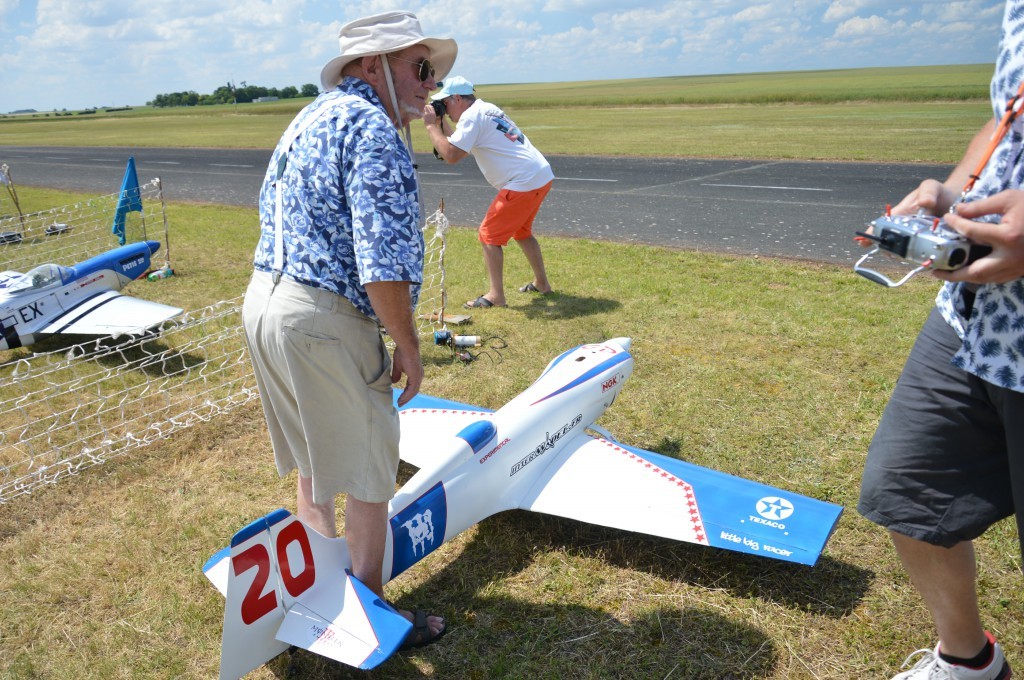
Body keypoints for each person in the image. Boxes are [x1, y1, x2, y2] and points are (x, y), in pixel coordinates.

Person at [241, 10, 456, 650]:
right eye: (420, 67)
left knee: (314, 460)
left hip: (265, 303)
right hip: (322, 317)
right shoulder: (373, 130)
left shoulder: (311, 116)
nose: (431, 84)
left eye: (433, 71)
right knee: (368, 470)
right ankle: (370, 612)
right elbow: (381, 263)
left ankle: (319, 594)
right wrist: (408, 344)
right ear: (372, 66)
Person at [857, 2, 1024, 678]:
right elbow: (1010, 113)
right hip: (974, 319)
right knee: (908, 487)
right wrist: (955, 191)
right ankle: (968, 662)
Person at [423, 76, 555, 308]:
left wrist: (430, 126)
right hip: (539, 175)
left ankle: (496, 296)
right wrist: (440, 122)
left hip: (523, 181)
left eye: (445, 103)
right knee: (522, 231)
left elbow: (451, 155)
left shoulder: (472, 117)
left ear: (457, 98)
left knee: (488, 235)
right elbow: (456, 143)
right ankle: (542, 284)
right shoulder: (486, 109)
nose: (444, 108)